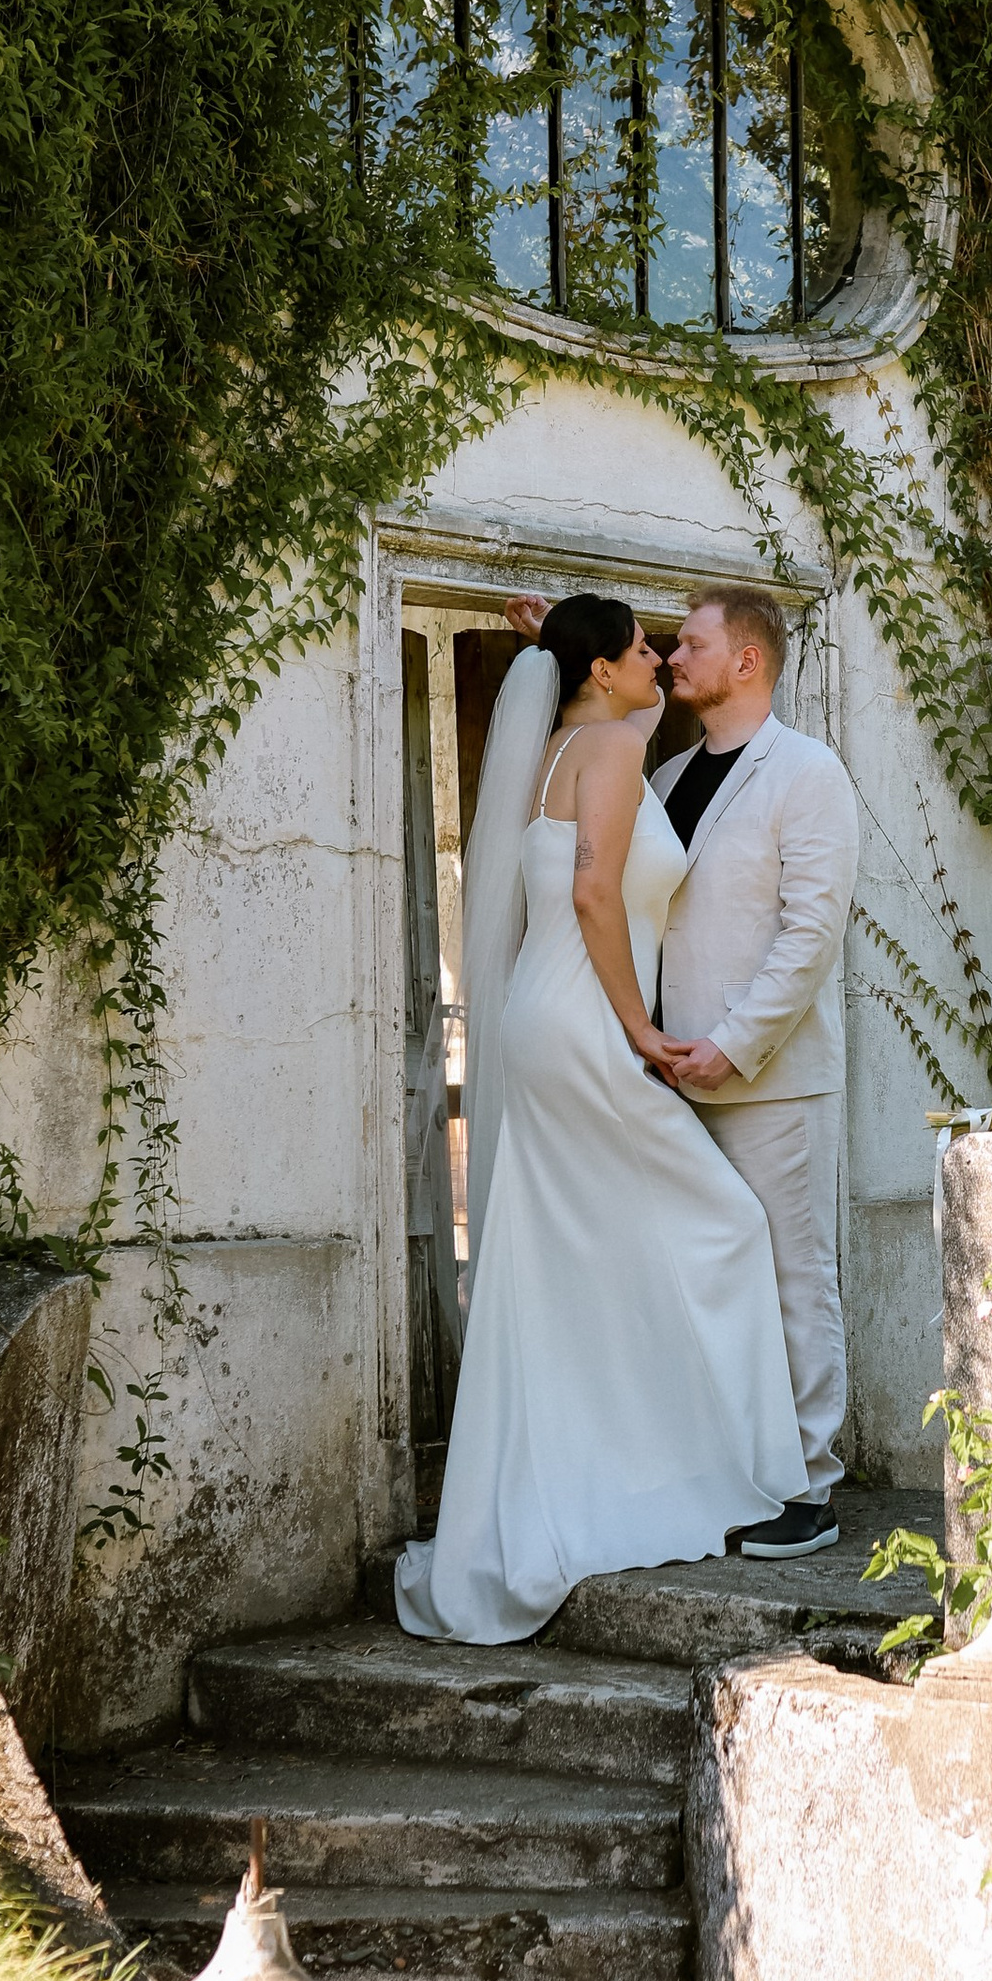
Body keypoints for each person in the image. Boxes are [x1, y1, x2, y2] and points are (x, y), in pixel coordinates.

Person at [393, 593, 800, 1645]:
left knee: (566, 1251)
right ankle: (739, 1471)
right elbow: (591, 896)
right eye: (641, 649)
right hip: (587, 1025)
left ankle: (600, 1466)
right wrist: (642, 1029)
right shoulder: (614, 750)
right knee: (725, 1223)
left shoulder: (563, 744)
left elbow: (584, 854)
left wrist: (556, 641)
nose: (660, 659)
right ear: (603, 672)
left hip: (541, 1020)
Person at [649, 588, 860, 1559]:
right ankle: (731, 1470)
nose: (672, 654)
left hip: (769, 1080)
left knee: (791, 1279)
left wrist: (732, 1042)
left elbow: (810, 934)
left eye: (690, 642)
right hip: (667, 1081)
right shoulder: (666, 776)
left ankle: (808, 1488)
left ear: (747, 661)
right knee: (704, 1282)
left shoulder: (807, 773)